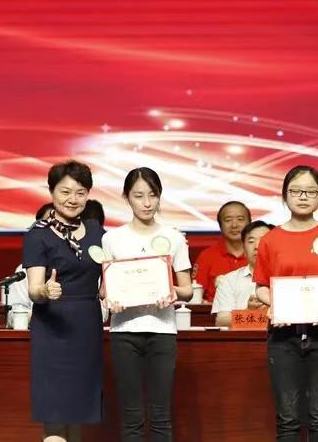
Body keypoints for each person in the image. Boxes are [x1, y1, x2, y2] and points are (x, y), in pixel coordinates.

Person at [254, 165, 318, 442]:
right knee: (288, 420)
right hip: (283, 336)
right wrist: (277, 306)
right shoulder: (270, 240)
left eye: (311, 191)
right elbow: (261, 288)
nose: (303, 197)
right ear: (284, 195)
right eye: (296, 191)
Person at [101, 167, 193, 442]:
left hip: (162, 331)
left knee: (161, 414)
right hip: (124, 332)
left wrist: (172, 292)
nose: (146, 203)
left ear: (160, 196)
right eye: (138, 196)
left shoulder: (174, 237)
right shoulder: (112, 238)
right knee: (131, 415)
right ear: (126, 197)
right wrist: (110, 299)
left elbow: (187, 290)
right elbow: (104, 290)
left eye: (152, 195)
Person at [23, 160, 106, 442]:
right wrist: (45, 291)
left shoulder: (97, 232)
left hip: (87, 326)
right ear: (51, 192)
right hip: (53, 328)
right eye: (65, 192)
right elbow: (34, 288)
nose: (73, 199)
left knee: (77, 412)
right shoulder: (38, 235)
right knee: (56, 413)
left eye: (80, 193)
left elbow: (114, 272)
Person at [212, 220, 273, 326]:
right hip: (244, 336)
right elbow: (221, 321)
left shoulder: (287, 278)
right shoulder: (228, 280)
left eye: (263, 240)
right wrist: (249, 312)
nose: (257, 246)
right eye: (251, 241)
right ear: (244, 249)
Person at [194, 200, 251, 301]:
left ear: (249, 223)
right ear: (220, 225)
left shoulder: (259, 254)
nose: (234, 225)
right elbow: (196, 296)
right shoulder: (207, 256)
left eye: (240, 219)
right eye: (228, 220)